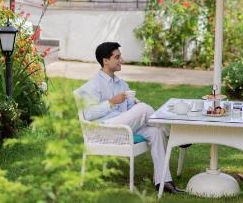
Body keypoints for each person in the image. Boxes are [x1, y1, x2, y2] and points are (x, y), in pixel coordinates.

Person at [74, 42, 184, 194]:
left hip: (123, 128)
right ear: (105, 61)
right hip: (103, 130)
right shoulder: (93, 85)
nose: (121, 60)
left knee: (156, 132)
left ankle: (163, 182)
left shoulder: (122, 84)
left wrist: (133, 106)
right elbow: (88, 113)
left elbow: (127, 112)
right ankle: (176, 134)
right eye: (117, 57)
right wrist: (111, 102)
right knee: (144, 108)